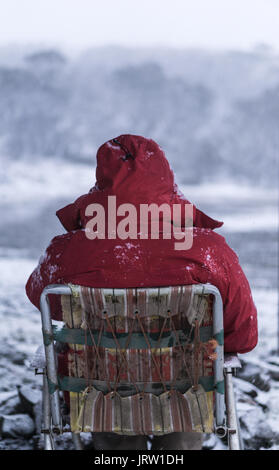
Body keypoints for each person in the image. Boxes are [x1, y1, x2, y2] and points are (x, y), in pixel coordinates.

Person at [26, 134, 258, 450]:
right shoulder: (207, 252)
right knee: (185, 413)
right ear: (167, 183)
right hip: (186, 396)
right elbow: (242, 335)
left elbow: (45, 303)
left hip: (101, 395)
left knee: (112, 422)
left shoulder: (65, 253)